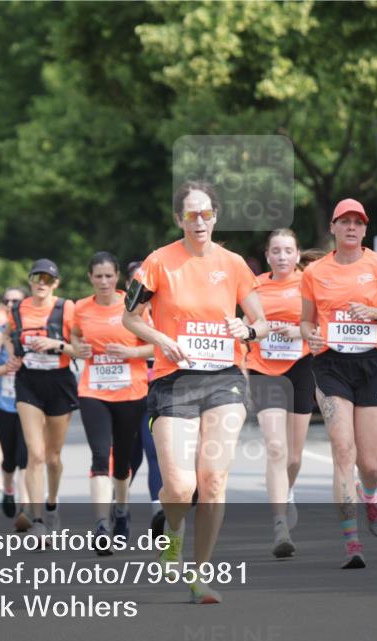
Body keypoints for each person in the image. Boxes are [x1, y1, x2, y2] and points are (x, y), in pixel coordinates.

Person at [123, 180, 268, 604]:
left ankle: (201, 573)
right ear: (179, 219)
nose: (199, 221)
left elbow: (260, 319)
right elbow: (129, 317)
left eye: (206, 214)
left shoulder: (234, 263)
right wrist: (160, 339)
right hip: (175, 379)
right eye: (191, 214)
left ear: (216, 216)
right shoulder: (157, 262)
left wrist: (249, 328)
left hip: (225, 377)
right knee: (181, 487)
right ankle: (172, 528)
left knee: (214, 479)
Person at [300, 198, 377, 569]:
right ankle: (351, 543)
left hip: (374, 364)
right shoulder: (314, 273)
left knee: (370, 464)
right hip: (331, 364)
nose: (351, 227)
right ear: (332, 228)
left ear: (364, 230)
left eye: (357, 222)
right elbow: (305, 322)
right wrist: (311, 337)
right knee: (342, 450)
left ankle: (370, 493)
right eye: (344, 221)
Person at [70, 252, 152, 555]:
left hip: (131, 392)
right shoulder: (80, 308)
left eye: (109, 276)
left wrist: (130, 354)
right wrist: (79, 348)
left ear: (117, 277)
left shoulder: (133, 306)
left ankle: (121, 509)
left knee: (123, 462)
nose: (103, 281)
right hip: (94, 391)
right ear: (90, 277)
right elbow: (75, 339)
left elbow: (156, 344)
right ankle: (101, 524)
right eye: (98, 276)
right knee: (100, 457)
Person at [245, 229, 315, 558]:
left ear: (298, 255)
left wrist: (297, 331)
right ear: (268, 255)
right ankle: (279, 524)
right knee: (275, 447)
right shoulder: (255, 286)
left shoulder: (310, 283)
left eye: (288, 250)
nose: (283, 256)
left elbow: (322, 325)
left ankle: (287, 493)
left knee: (294, 456)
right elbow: (247, 329)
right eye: (276, 251)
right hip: (264, 370)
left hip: (301, 367)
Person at [10, 259, 79, 543]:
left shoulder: (66, 308)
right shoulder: (17, 309)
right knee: (35, 454)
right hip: (29, 381)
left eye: (48, 279)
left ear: (56, 284)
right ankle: (38, 520)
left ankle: (52, 503)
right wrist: (12, 355)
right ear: (30, 281)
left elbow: (80, 349)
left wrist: (57, 345)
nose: (42, 283)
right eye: (37, 278)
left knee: (52, 457)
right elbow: (10, 337)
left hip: (59, 382)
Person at [0, 287, 32, 531]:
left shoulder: (33, 331)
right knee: (10, 459)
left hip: (30, 402)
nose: (12, 304)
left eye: (17, 300)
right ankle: (9, 489)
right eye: (8, 301)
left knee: (26, 458)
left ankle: (24, 509)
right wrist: (7, 368)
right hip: (4, 403)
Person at [124, 260, 164, 526]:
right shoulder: (122, 316)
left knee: (154, 451)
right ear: (128, 286)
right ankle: (119, 508)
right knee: (129, 456)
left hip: (157, 390)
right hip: (126, 393)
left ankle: (158, 512)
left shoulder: (164, 311)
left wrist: (135, 352)